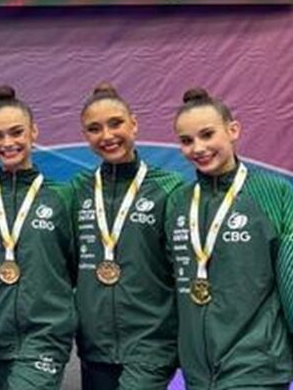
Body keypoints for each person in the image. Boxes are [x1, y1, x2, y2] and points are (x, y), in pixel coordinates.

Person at [166, 87, 293, 390]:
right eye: (187, 141)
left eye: (207, 134)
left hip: (258, 368)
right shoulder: (178, 201)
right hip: (199, 374)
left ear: (233, 130)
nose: (198, 148)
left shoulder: (273, 192)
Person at [0, 85, 76, 389]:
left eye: (17, 132)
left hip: (46, 333)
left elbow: (76, 266)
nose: (8, 143)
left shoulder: (62, 196)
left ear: (34, 132)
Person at [71, 84, 184, 389]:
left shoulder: (170, 188)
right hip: (95, 344)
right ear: (85, 136)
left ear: (134, 124)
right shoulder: (78, 189)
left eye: (115, 123)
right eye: (94, 129)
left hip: (152, 342)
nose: (107, 135)